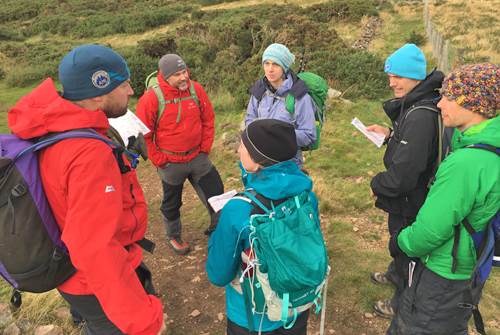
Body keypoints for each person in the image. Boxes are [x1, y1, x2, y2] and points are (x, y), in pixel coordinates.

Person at [8, 44, 165, 334]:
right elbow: (94, 248)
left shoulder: (54, 126)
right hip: (90, 281)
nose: (130, 91)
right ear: (98, 89)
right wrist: (143, 322)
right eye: (124, 83)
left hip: (70, 274)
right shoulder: (88, 152)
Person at [387, 63, 499, 334]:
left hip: (443, 270)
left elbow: (431, 231)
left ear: (474, 104)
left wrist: (401, 241)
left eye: (449, 96)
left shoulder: (467, 163)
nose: (440, 104)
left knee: (419, 326)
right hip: (467, 266)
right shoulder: (486, 147)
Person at [206, 119, 318, 334]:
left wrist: (217, 230)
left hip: (252, 316)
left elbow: (218, 274)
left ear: (258, 163)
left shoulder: (238, 210)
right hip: (297, 303)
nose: (238, 149)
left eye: (243, 146)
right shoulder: (306, 196)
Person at [366, 43, 447, 318]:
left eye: (397, 76)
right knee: (399, 244)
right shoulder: (419, 103)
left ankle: (400, 302)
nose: (392, 83)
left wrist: (376, 184)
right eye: (390, 76)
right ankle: (395, 274)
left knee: (407, 251)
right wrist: (389, 136)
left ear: (415, 76)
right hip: (411, 197)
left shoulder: (421, 115)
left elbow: (403, 176)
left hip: (413, 200)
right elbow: (416, 150)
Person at [136, 54, 224, 255]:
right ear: (165, 76)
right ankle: (174, 236)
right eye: (177, 74)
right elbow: (144, 134)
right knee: (172, 201)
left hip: (198, 156)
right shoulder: (151, 98)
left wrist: (205, 147)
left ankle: (219, 230)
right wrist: (159, 160)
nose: (184, 77)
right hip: (170, 162)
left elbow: (208, 118)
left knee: (216, 193)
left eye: (185, 71)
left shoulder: (195, 89)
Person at [246, 43, 316, 167]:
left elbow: (309, 135)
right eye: (266, 63)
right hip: (261, 162)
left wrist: (278, 136)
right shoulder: (259, 90)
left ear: (284, 67)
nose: (270, 69)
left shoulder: (299, 96)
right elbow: (249, 121)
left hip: (288, 165)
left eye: (275, 64)